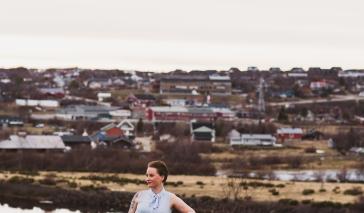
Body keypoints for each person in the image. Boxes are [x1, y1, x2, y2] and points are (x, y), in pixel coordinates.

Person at [128, 160, 196, 213]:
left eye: (151, 175)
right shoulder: (139, 195)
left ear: (162, 177)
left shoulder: (171, 198)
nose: (147, 179)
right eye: (147, 175)